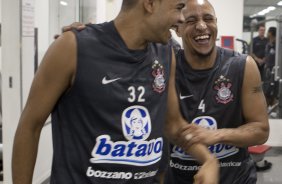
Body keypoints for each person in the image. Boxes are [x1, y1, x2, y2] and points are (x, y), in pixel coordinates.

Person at [12, 0, 219, 184]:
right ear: (150, 4)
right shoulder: (72, 47)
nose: (181, 19)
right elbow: (31, 124)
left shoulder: (166, 53)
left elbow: (173, 125)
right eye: (178, 8)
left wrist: (208, 160)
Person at [165, 0, 269, 183]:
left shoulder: (243, 66)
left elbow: (261, 130)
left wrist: (215, 135)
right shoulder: (167, 66)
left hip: (236, 179)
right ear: (178, 29)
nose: (202, 26)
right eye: (191, 21)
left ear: (216, 23)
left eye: (208, 19)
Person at [263, 27, 278, 108]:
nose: (266, 33)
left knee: (272, 88)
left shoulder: (277, 44)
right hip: (267, 68)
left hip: (274, 69)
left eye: (268, 32)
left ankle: (272, 105)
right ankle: (268, 106)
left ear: (271, 33)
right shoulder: (268, 43)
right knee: (266, 88)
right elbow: (267, 55)